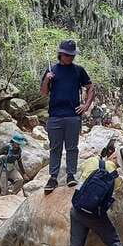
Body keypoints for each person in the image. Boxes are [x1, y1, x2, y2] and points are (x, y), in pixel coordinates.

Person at [69, 139, 123, 246]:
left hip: (78, 210)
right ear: (118, 161)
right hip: (96, 215)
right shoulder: (116, 177)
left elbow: (80, 179)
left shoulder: (91, 161)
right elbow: (113, 195)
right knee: (114, 240)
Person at [40, 40, 95, 193]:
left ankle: (71, 175)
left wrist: (86, 105)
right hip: (55, 116)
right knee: (55, 148)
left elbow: (90, 87)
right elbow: (44, 92)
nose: (70, 57)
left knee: (72, 148)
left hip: (73, 115)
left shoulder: (79, 70)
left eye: (72, 55)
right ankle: (53, 177)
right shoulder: (51, 70)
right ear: (61, 54)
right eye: (67, 55)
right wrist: (47, 79)